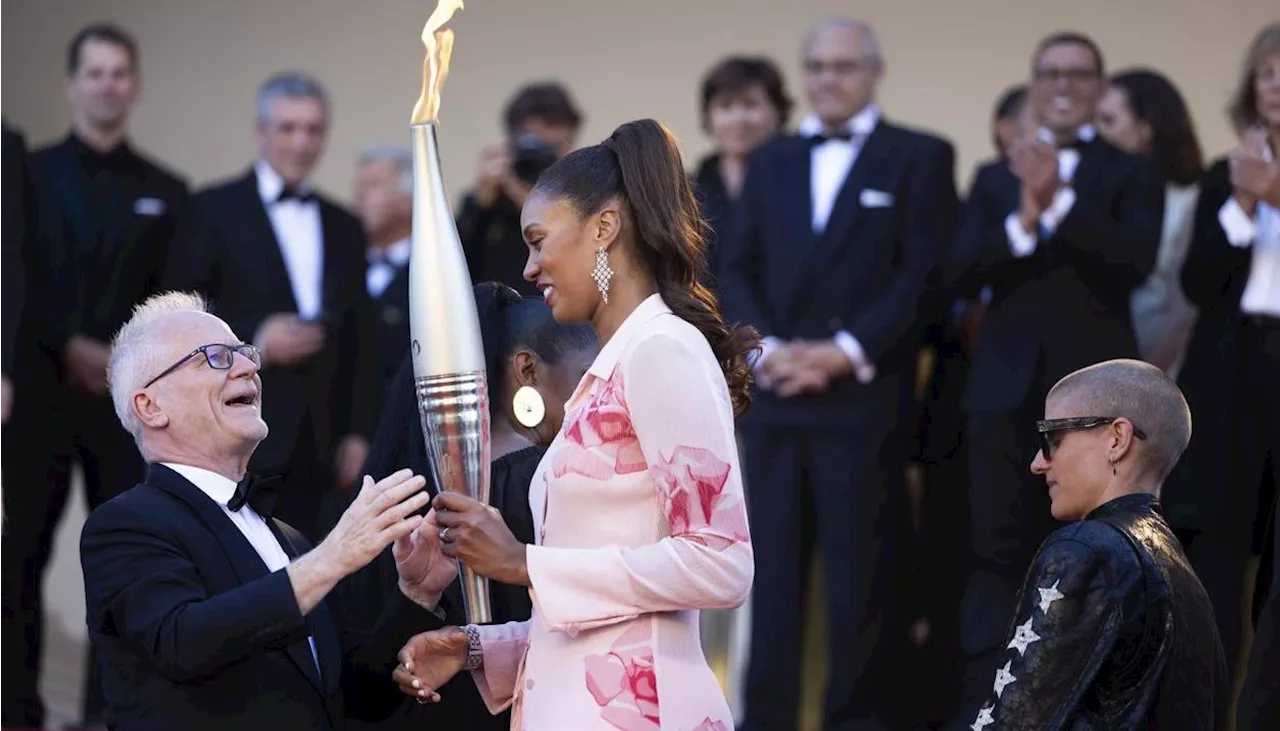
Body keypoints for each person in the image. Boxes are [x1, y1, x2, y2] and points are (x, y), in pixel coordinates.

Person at [391, 119, 757, 729]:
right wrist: (480, 646)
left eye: (538, 240)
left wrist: (523, 564)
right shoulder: (605, 372)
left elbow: (721, 561)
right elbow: (608, 609)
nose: (529, 268)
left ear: (603, 229)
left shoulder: (663, 349)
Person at [718, 18, 959, 730]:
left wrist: (846, 350)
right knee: (767, 587)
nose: (828, 79)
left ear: (874, 71)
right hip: (775, 402)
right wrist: (765, 349)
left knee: (861, 589)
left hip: (862, 407)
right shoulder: (771, 161)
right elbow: (734, 266)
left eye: (843, 66)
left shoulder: (920, 156)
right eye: (816, 67)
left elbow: (923, 275)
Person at [80, 290, 458, 730]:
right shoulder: (125, 525)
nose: (249, 366)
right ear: (151, 406)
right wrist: (331, 558)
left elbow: (358, 696)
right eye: (216, 357)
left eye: (245, 352)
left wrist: (417, 593)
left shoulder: (287, 539)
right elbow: (184, 642)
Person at [946, 32, 1164, 722]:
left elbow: (1133, 261)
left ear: (1099, 88)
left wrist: (1058, 200)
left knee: (1094, 556)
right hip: (1000, 400)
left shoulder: (1131, 173)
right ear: (1035, 85)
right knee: (992, 559)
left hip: (1096, 412)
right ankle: (986, 711)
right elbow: (956, 273)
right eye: (1051, 74)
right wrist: (1022, 219)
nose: (1064, 85)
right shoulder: (991, 176)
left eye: (1079, 74)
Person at [1, 24, 189, 727]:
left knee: (123, 563)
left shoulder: (168, 191)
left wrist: (113, 357)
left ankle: (108, 713)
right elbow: (16, 274)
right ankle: (16, 710)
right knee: (18, 554)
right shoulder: (25, 173)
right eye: (96, 73)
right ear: (71, 83)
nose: (108, 84)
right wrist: (64, 344)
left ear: (134, 85)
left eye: (120, 73)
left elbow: (171, 298)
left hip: (129, 407)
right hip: (40, 398)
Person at [337, 281, 597, 730]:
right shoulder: (545, 480)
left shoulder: (403, 490)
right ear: (527, 369)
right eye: (586, 378)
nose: (601, 399)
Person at [165, 72, 375, 539]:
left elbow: (363, 337)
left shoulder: (345, 225)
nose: (301, 142)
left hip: (323, 441)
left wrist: (359, 433)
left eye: (314, 129)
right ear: (261, 130)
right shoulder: (211, 209)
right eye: (288, 128)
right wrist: (255, 340)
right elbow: (180, 313)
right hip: (235, 429)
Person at [964, 359, 1227, 730]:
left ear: (1117, 439)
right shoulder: (1186, 578)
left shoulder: (1087, 550)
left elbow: (1013, 722)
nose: (1038, 463)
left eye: (1051, 438)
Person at [1176, 22, 1280, 727]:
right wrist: (1244, 203)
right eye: (1268, 74)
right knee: (1213, 553)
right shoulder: (1225, 173)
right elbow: (1198, 280)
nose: (1277, 87)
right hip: (1230, 376)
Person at [1095, 68, 1205, 378]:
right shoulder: (1090, 195)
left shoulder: (1191, 199)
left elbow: (1182, 307)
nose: (1096, 134)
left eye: (1108, 121)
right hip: (1100, 365)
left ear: (1148, 127)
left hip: (1158, 371)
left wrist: (1145, 374)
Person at [458, 82, 584, 296]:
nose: (545, 161)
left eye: (554, 148)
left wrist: (535, 207)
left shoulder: (586, 199)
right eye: (535, 148)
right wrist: (480, 205)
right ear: (511, 145)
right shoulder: (487, 202)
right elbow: (451, 273)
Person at [690, 55, 792, 291]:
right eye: (725, 106)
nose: (739, 120)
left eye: (751, 104)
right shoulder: (689, 193)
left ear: (778, 111)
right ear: (708, 116)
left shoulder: (805, 184)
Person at [352, 144, 414, 418]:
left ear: (409, 198)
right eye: (359, 187)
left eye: (374, 186)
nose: (359, 197)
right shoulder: (344, 265)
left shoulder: (434, 268)